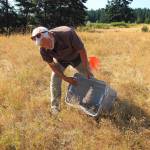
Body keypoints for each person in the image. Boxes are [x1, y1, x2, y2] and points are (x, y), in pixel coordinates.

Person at [31, 26, 93, 115]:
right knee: (55, 77)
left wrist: (86, 69)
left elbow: (82, 50)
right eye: (42, 45)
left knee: (89, 77)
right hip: (61, 60)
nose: (45, 47)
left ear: (49, 34)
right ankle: (55, 107)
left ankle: (92, 98)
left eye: (46, 42)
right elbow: (52, 65)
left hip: (77, 57)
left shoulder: (67, 33)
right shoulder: (43, 49)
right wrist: (65, 78)